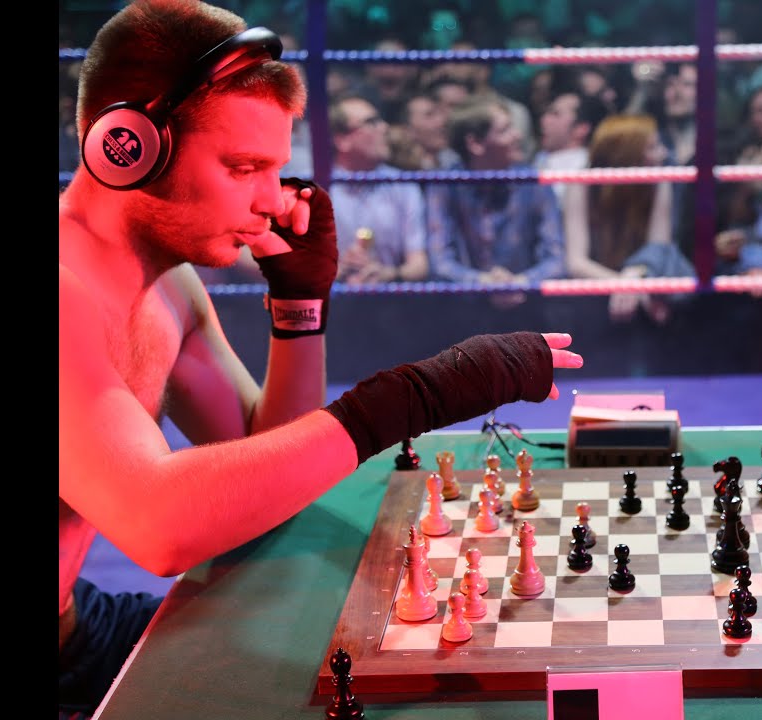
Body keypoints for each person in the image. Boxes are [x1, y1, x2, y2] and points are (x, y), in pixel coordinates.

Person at [58, 3, 583, 718]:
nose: (272, 201)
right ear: (127, 145)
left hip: (74, 631)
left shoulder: (169, 286)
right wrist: (414, 397)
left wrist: (300, 311)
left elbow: (261, 462)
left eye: (275, 169)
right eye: (243, 167)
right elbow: (161, 528)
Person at [425, 96, 566, 288]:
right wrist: (484, 282)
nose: (517, 135)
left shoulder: (534, 182)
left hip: (527, 303)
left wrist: (519, 283)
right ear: (475, 144)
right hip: (463, 306)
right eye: (505, 130)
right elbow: (439, 263)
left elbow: (557, 259)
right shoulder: (444, 185)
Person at [561, 113, 688, 324]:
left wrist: (636, 277)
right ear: (627, 155)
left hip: (641, 286)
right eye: (652, 147)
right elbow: (576, 263)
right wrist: (625, 284)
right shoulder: (581, 185)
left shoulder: (658, 182)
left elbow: (658, 249)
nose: (663, 153)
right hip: (595, 294)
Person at [328, 93, 428, 284]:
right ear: (342, 140)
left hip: (393, 299)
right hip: (331, 301)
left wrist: (388, 274)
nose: (384, 127)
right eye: (371, 122)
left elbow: (419, 265)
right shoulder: (313, 187)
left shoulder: (403, 184)